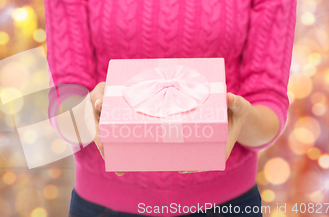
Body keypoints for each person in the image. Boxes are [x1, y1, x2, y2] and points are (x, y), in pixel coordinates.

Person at [44, 0, 296, 216]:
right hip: (102, 206)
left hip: (229, 203)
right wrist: (86, 114)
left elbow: (268, 105)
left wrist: (241, 115)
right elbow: (64, 101)